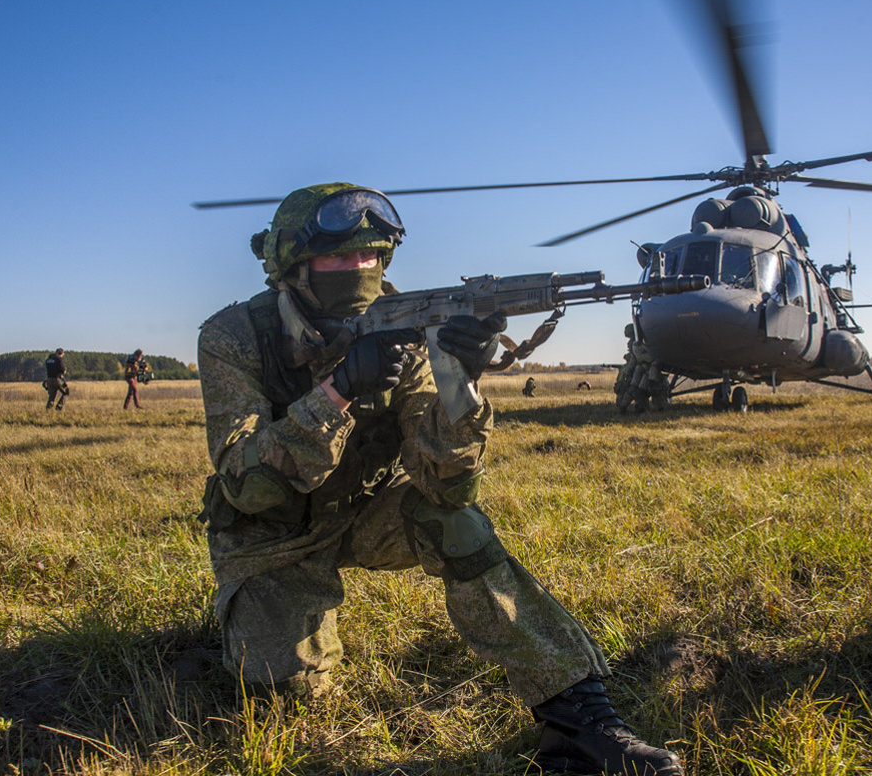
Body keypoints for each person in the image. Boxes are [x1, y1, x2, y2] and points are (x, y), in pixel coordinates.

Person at [196, 183, 681, 775]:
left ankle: (582, 724)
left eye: (370, 256)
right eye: (338, 257)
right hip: (270, 540)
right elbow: (248, 484)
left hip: (364, 513)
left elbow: (446, 486)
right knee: (285, 701)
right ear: (293, 266)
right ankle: (238, 625)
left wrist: (462, 380)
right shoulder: (234, 336)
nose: (358, 269)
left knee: (458, 524)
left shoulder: (406, 325)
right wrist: (338, 390)